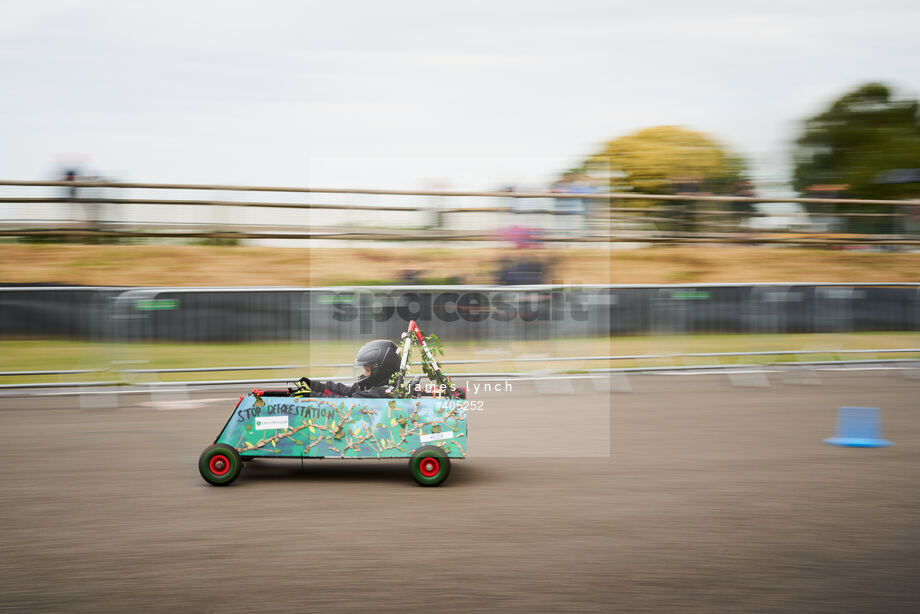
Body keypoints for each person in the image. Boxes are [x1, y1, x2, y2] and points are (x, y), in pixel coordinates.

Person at [298, 339, 401, 398]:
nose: (364, 374)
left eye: (367, 371)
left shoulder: (379, 394)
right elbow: (347, 391)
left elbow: (345, 403)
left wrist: (311, 396)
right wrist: (315, 386)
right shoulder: (371, 389)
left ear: (381, 372)